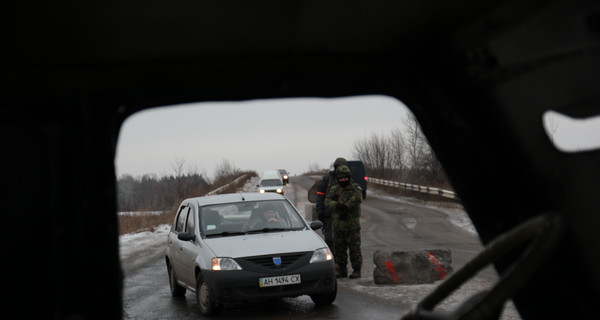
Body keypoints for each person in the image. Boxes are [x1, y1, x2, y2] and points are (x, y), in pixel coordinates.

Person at [325, 164, 363, 279]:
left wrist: (345, 206)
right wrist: (337, 205)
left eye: (345, 178)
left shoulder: (355, 189)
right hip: (338, 225)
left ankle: (356, 270)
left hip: (352, 226)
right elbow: (327, 201)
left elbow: (357, 199)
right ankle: (342, 269)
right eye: (341, 178)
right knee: (339, 249)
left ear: (349, 177)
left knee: (354, 249)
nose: (343, 180)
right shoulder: (334, 189)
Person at [315, 157, 348, 255]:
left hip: (343, 216)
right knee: (329, 240)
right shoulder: (327, 180)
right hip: (329, 216)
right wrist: (320, 212)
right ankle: (333, 263)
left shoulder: (348, 180)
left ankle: (341, 264)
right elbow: (320, 197)